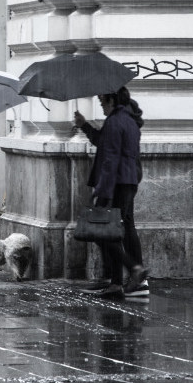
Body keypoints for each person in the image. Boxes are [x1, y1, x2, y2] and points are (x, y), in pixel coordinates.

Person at [72, 87, 148, 299]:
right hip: (128, 180)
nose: (101, 105)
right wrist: (84, 125)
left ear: (111, 100)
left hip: (117, 182)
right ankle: (117, 282)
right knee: (120, 229)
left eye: (102, 101)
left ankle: (133, 270)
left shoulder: (115, 121)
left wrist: (101, 190)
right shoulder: (128, 119)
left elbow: (110, 159)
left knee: (104, 232)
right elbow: (104, 143)